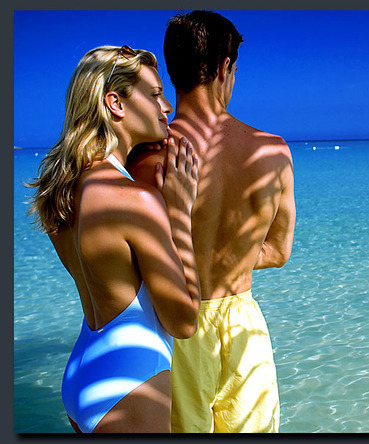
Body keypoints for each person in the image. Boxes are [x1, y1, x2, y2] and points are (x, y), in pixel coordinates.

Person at [127, 11, 296, 433]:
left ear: (171, 71)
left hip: (171, 325)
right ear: (224, 68)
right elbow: (279, 252)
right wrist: (232, 257)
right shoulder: (274, 153)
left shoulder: (145, 158)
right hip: (243, 326)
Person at [27, 45, 201, 433]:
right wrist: (179, 212)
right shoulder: (135, 199)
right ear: (115, 104)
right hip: (131, 382)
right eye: (155, 94)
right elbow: (184, 320)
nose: (167, 106)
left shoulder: (63, 192)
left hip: (86, 370)